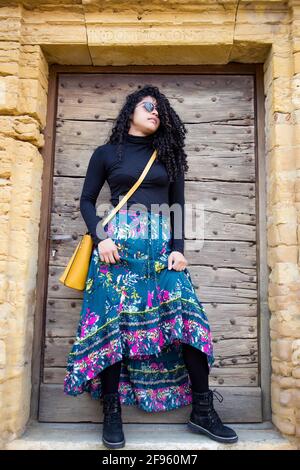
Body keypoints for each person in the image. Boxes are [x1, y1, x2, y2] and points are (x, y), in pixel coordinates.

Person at [63, 85, 238, 448]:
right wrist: (101, 238)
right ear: (130, 111)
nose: (155, 112)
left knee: (189, 319)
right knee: (113, 328)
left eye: (160, 110)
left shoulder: (168, 155)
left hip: (161, 256)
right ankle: (112, 415)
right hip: (115, 255)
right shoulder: (106, 153)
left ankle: (202, 412)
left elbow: (179, 204)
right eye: (148, 106)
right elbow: (85, 201)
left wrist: (179, 249)